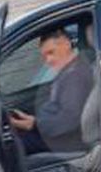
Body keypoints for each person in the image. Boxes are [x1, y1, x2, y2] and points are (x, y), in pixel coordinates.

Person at [8, 27, 95, 155]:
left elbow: (70, 120)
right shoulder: (70, 70)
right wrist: (34, 121)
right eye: (45, 56)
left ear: (66, 44)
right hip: (54, 134)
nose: (48, 60)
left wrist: (34, 124)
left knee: (11, 146)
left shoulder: (75, 75)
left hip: (66, 142)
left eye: (51, 52)